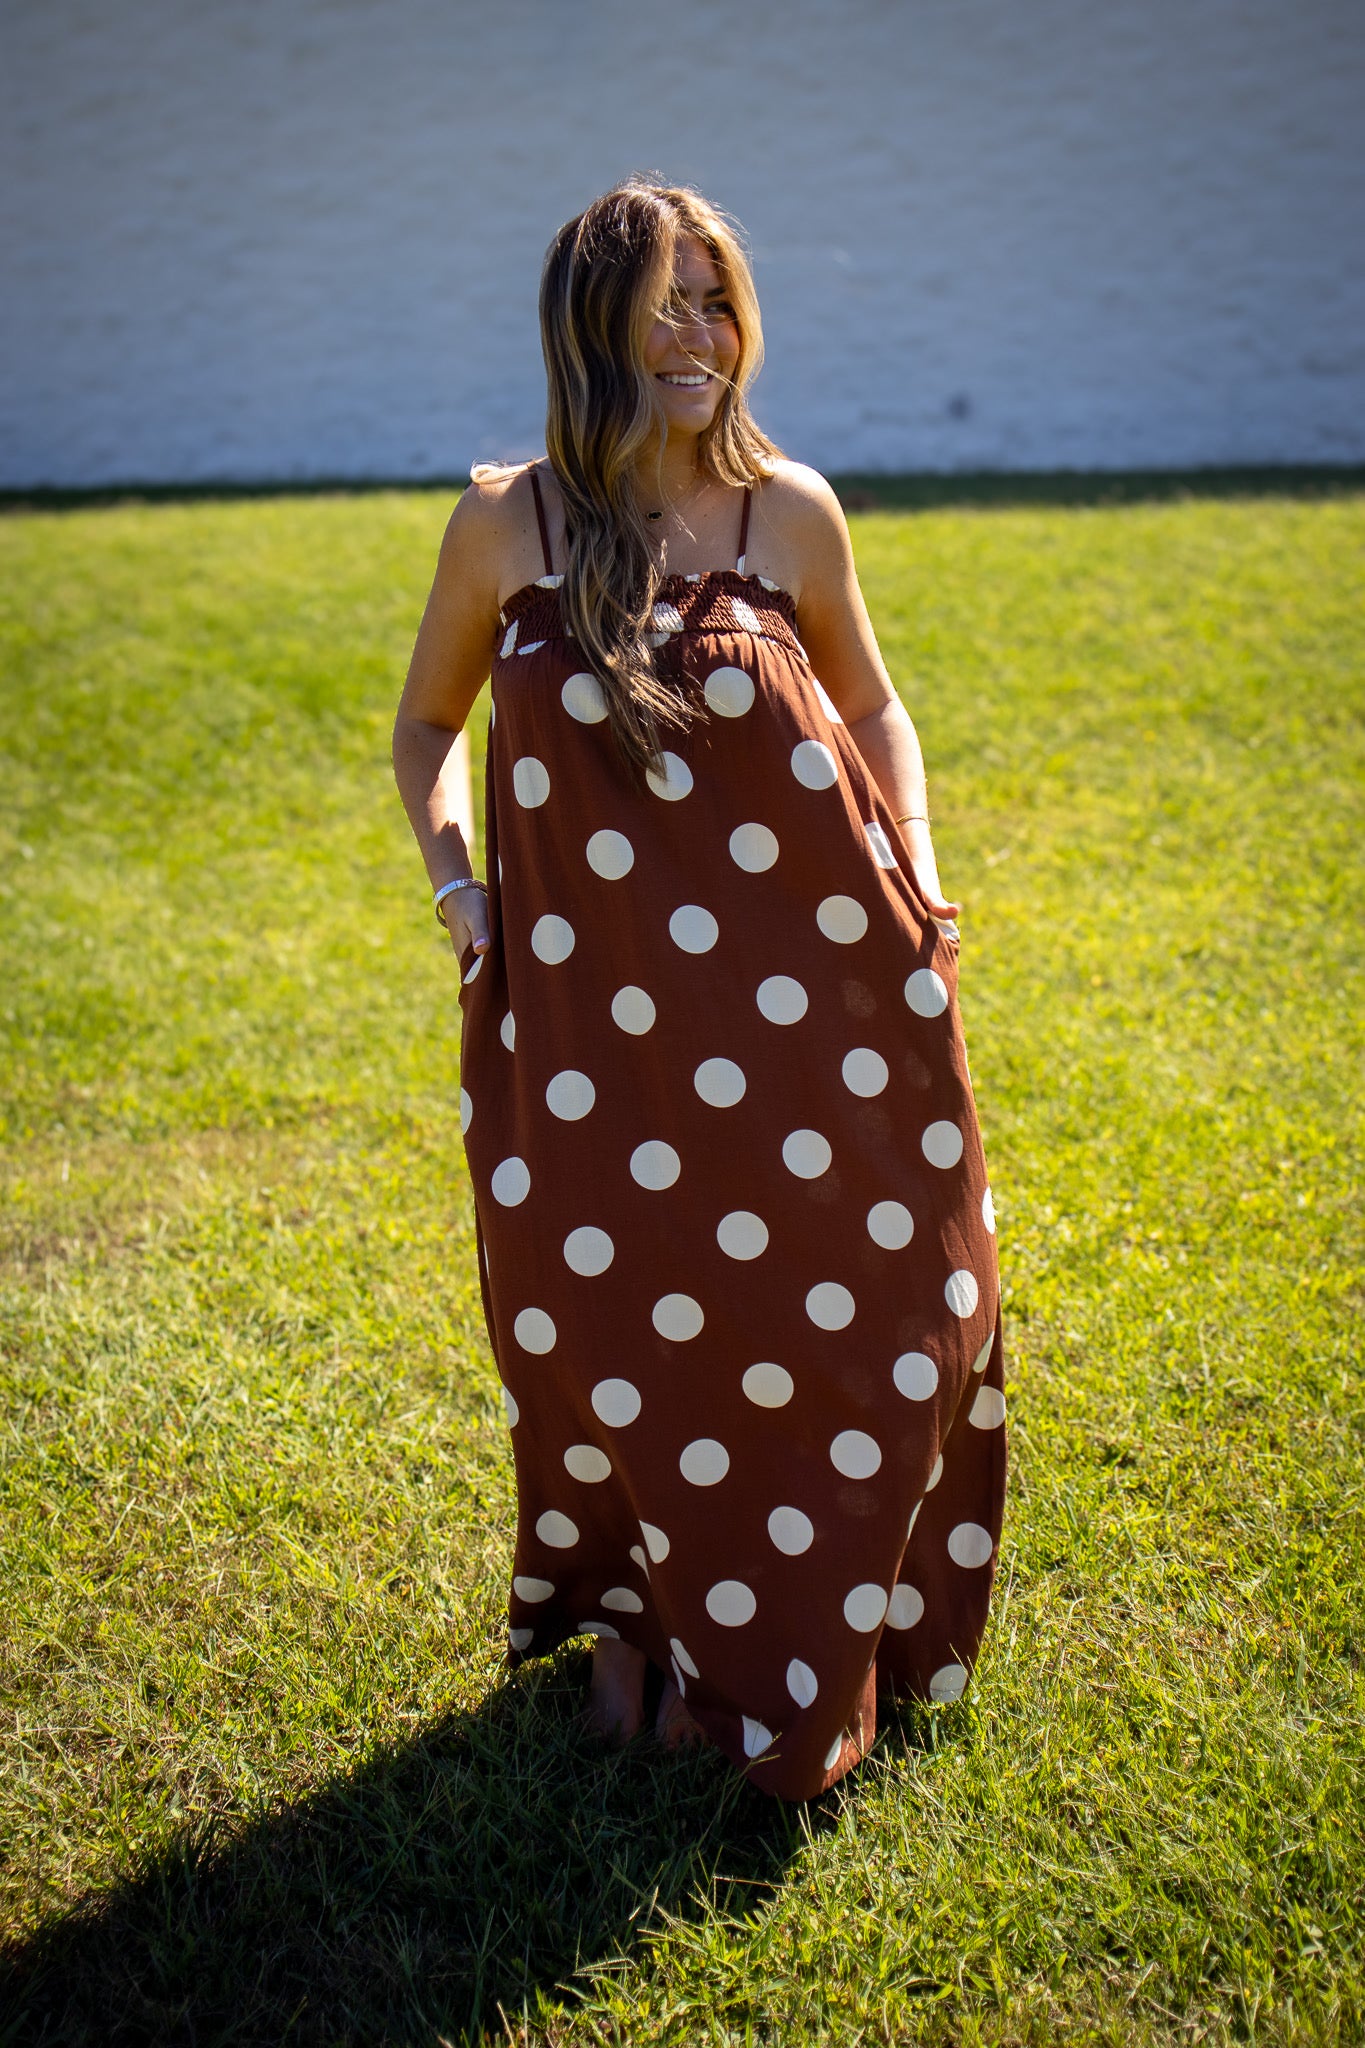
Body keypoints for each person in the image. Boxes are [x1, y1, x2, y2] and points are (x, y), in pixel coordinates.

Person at [392, 180, 1005, 1801]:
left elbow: (875, 712)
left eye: (716, 299)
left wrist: (917, 871)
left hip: (812, 999)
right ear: (585, 327)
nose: (696, 334)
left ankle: (808, 1633)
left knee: (869, 1306)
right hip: (588, 1020)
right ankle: (639, 1617)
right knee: (603, 1316)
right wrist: (459, 888)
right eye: (661, 300)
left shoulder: (784, 511)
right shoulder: (505, 527)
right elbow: (425, 728)